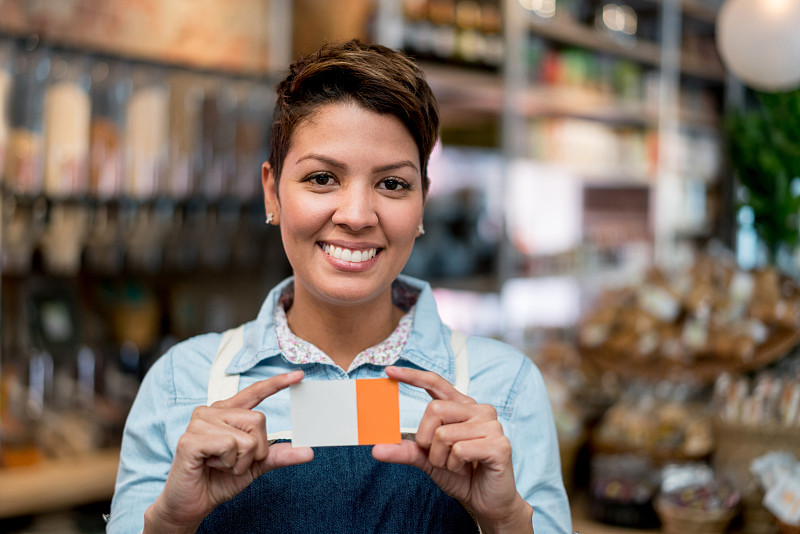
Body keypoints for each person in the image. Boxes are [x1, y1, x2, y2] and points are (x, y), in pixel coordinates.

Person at [107, 39, 571, 533]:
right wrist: (169, 522)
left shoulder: (506, 388)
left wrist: (506, 519)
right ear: (272, 192)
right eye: (323, 178)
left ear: (422, 204)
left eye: (392, 184)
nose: (355, 216)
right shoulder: (181, 384)